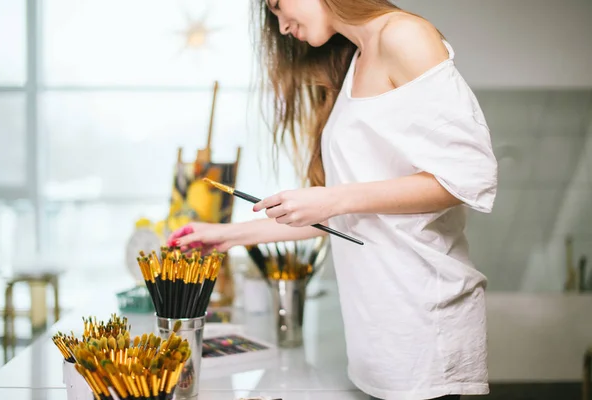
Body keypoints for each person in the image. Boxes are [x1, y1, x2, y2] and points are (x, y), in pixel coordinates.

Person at [169, 1, 498, 399]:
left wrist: (333, 199)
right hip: (378, 336)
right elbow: (347, 214)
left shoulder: (403, 35)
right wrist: (227, 236)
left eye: (277, 5)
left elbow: (468, 176)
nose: (282, 25)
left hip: (422, 322)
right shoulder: (357, 60)